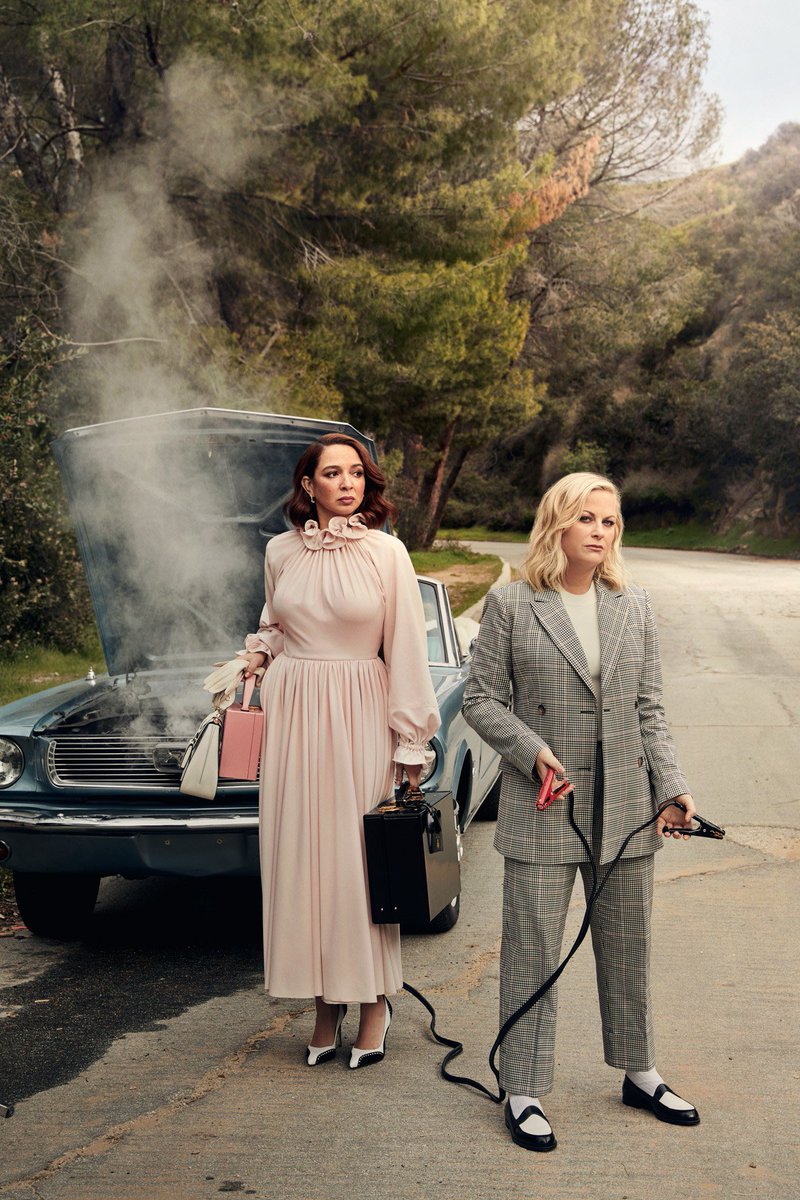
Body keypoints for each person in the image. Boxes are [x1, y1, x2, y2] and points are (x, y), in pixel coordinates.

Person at [462, 472, 700, 1152]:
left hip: (624, 804)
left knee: (628, 945)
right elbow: (480, 700)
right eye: (587, 518)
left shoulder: (634, 604)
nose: (600, 531)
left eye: (610, 521)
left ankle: (640, 1072)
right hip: (544, 802)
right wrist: (532, 751)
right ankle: (524, 1088)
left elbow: (649, 709)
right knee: (533, 947)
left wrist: (670, 787)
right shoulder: (511, 602)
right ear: (558, 524)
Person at [237, 433, 439, 1068]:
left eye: (356, 473)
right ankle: (324, 1005)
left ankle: (374, 1002)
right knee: (301, 858)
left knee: (357, 862)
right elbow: (276, 623)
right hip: (293, 711)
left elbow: (405, 646)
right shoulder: (279, 551)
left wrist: (411, 741)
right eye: (333, 473)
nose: (348, 483)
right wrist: (256, 656)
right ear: (309, 485)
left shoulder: (387, 552)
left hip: (359, 709)